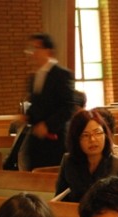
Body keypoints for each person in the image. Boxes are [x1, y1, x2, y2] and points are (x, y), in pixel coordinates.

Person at [20, 33, 75, 170]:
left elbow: (68, 107)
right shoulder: (35, 77)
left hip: (55, 138)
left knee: (53, 174)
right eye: (31, 49)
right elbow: (37, 105)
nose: (33, 52)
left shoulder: (62, 74)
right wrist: (27, 116)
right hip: (37, 140)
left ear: (48, 51)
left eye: (36, 48)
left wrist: (47, 125)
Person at [55, 109, 118, 202]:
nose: (92, 139)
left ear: (105, 135)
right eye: (85, 135)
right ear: (76, 139)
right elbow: (59, 199)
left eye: (98, 133)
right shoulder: (68, 162)